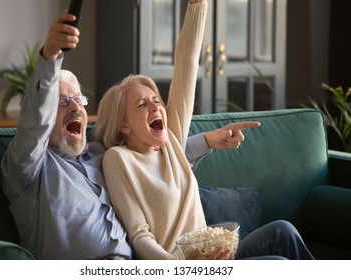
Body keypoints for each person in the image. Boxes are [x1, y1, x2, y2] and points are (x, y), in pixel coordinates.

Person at [0, 8, 251, 260]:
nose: (76, 107)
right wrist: (51, 55)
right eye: (62, 101)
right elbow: (34, 124)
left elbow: (152, 159)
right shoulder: (29, 170)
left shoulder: (98, 154)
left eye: (79, 100)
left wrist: (207, 140)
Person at [94, 0, 315, 260]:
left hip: (214, 254)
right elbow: (139, 235)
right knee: (277, 263)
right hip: (181, 266)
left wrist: (198, 5)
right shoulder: (118, 159)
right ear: (123, 124)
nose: (156, 107)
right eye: (142, 105)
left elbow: (187, 63)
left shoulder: (171, 143)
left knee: (283, 231)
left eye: (157, 101)